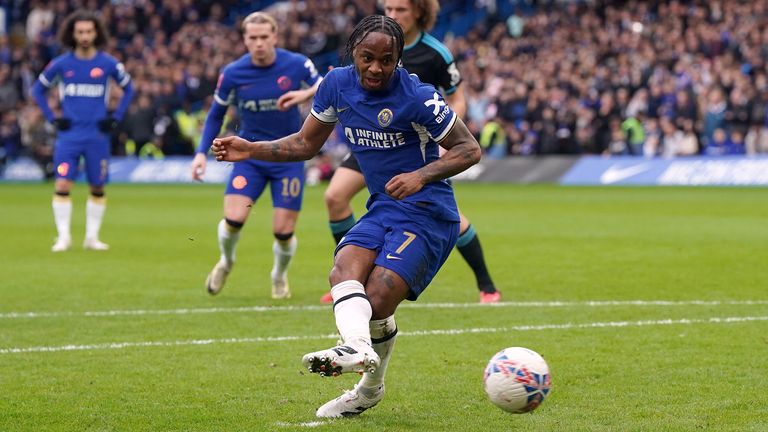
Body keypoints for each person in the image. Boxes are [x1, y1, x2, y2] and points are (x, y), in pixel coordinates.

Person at [212, 15, 481, 418]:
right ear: (354, 53)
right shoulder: (336, 85)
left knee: (379, 296)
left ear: (398, 60)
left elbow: (469, 149)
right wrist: (251, 149)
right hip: (383, 206)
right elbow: (305, 143)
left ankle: (367, 384)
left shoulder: (419, 97)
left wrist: (420, 175)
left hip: (427, 214)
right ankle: (358, 356)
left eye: (386, 60)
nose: (375, 67)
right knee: (342, 272)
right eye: (367, 57)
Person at [319, 0, 500, 304]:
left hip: (414, 145)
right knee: (334, 197)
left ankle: (486, 284)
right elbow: (346, 81)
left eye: (400, 9)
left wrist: (443, 141)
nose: (393, 15)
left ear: (418, 12)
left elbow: (457, 100)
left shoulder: (435, 53)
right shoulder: (374, 39)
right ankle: (352, 277)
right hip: (370, 139)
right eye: (388, 9)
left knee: (450, 217)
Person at [191, 12, 321, 298]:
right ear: (244, 39)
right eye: (253, 38)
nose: (259, 43)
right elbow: (216, 114)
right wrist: (201, 153)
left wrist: (304, 95)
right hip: (249, 157)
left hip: (288, 157)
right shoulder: (234, 72)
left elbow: (328, 84)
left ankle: (279, 275)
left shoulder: (298, 64)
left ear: (274, 37)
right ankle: (226, 261)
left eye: (264, 37)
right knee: (234, 218)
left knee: (283, 232)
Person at [32, 10, 134, 252]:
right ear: (72, 34)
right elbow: (38, 90)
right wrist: (52, 118)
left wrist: (116, 117)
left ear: (96, 33)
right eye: (80, 32)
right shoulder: (61, 64)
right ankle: (63, 237)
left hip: (97, 136)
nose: (85, 36)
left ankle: (92, 237)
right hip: (69, 136)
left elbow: (129, 89)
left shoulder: (108, 63)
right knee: (63, 183)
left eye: (89, 31)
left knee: (97, 186)